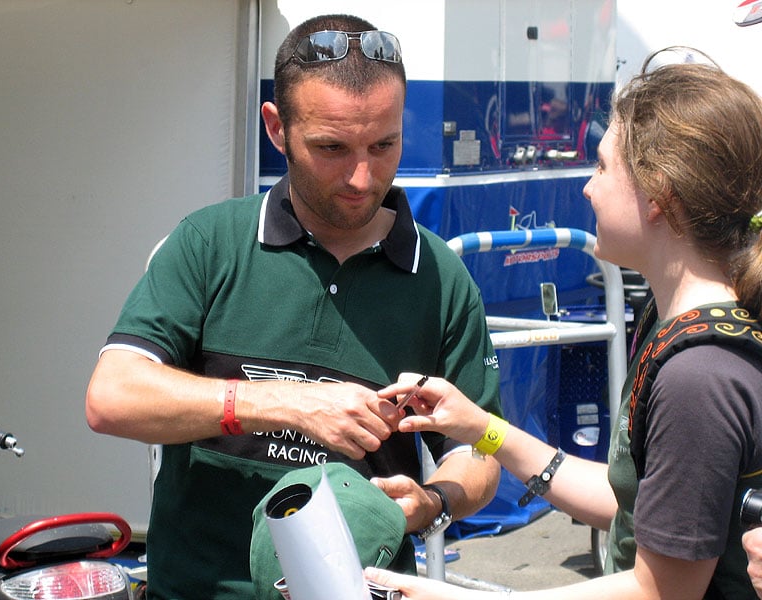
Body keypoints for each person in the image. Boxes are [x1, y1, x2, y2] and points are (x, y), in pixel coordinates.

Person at [85, 13, 502, 600]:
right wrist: (287, 403)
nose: (362, 176)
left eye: (384, 144)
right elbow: (111, 397)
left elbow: (484, 447)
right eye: (331, 148)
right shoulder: (211, 243)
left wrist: (436, 500)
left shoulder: (442, 276)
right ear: (277, 129)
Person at [366, 51, 762, 599]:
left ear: (659, 195)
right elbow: (633, 503)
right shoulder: (671, 324)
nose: (586, 188)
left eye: (601, 167)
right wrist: (482, 427)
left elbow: (660, 590)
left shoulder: (699, 376)